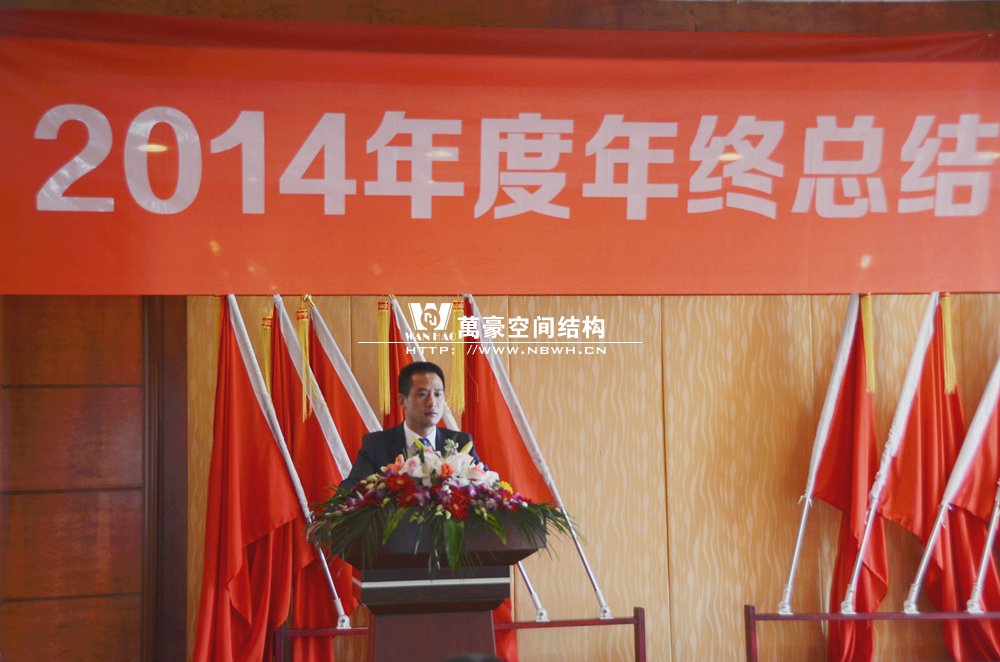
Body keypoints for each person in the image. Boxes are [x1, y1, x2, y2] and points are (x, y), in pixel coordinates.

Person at [339, 361, 483, 491]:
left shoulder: (461, 443)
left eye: (438, 394)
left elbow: (489, 486)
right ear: (402, 401)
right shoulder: (376, 445)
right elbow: (348, 492)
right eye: (422, 394)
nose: (432, 402)